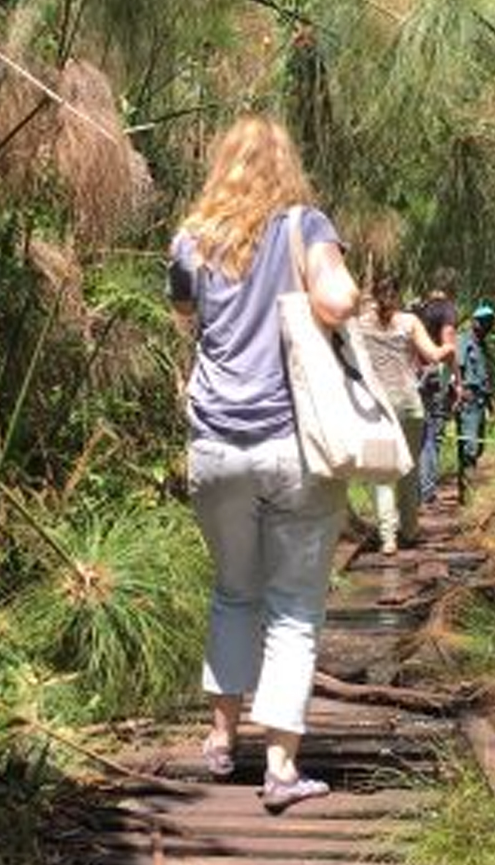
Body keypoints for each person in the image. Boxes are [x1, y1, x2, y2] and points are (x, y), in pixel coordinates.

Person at [167, 114, 360, 814]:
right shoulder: (303, 226)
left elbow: (187, 315)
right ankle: (279, 768)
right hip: (292, 447)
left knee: (233, 591)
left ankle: (220, 741)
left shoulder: (190, 238)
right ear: (288, 165)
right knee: (293, 608)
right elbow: (337, 301)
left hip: (215, 447)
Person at [359, 274, 454, 554]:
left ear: (374, 295)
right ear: (398, 295)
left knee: (382, 474)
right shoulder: (410, 322)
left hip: (375, 407)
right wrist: (449, 348)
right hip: (409, 406)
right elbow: (434, 355)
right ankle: (410, 531)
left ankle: (388, 539)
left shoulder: (360, 325)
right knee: (407, 470)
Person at [416, 268, 459, 504]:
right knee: (432, 434)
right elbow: (449, 348)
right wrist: (458, 382)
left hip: (415, 376)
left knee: (419, 434)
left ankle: (415, 490)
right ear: (451, 287)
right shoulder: (447, 310)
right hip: (435, 378)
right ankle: (427, 491)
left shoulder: (419, 309)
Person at [455, 302, 495, 501]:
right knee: (469, 446)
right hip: (469, 400)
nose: (488, 325)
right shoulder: (464, 341)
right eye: (484, 321)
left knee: (478, 446)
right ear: (474, 322)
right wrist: (460, 390)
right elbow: (458, 367)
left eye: (490, 321)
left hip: (480, 401)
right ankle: (467, 493)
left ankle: (466, 489)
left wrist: (491, 403)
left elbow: (486, 377)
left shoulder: (483, 345)